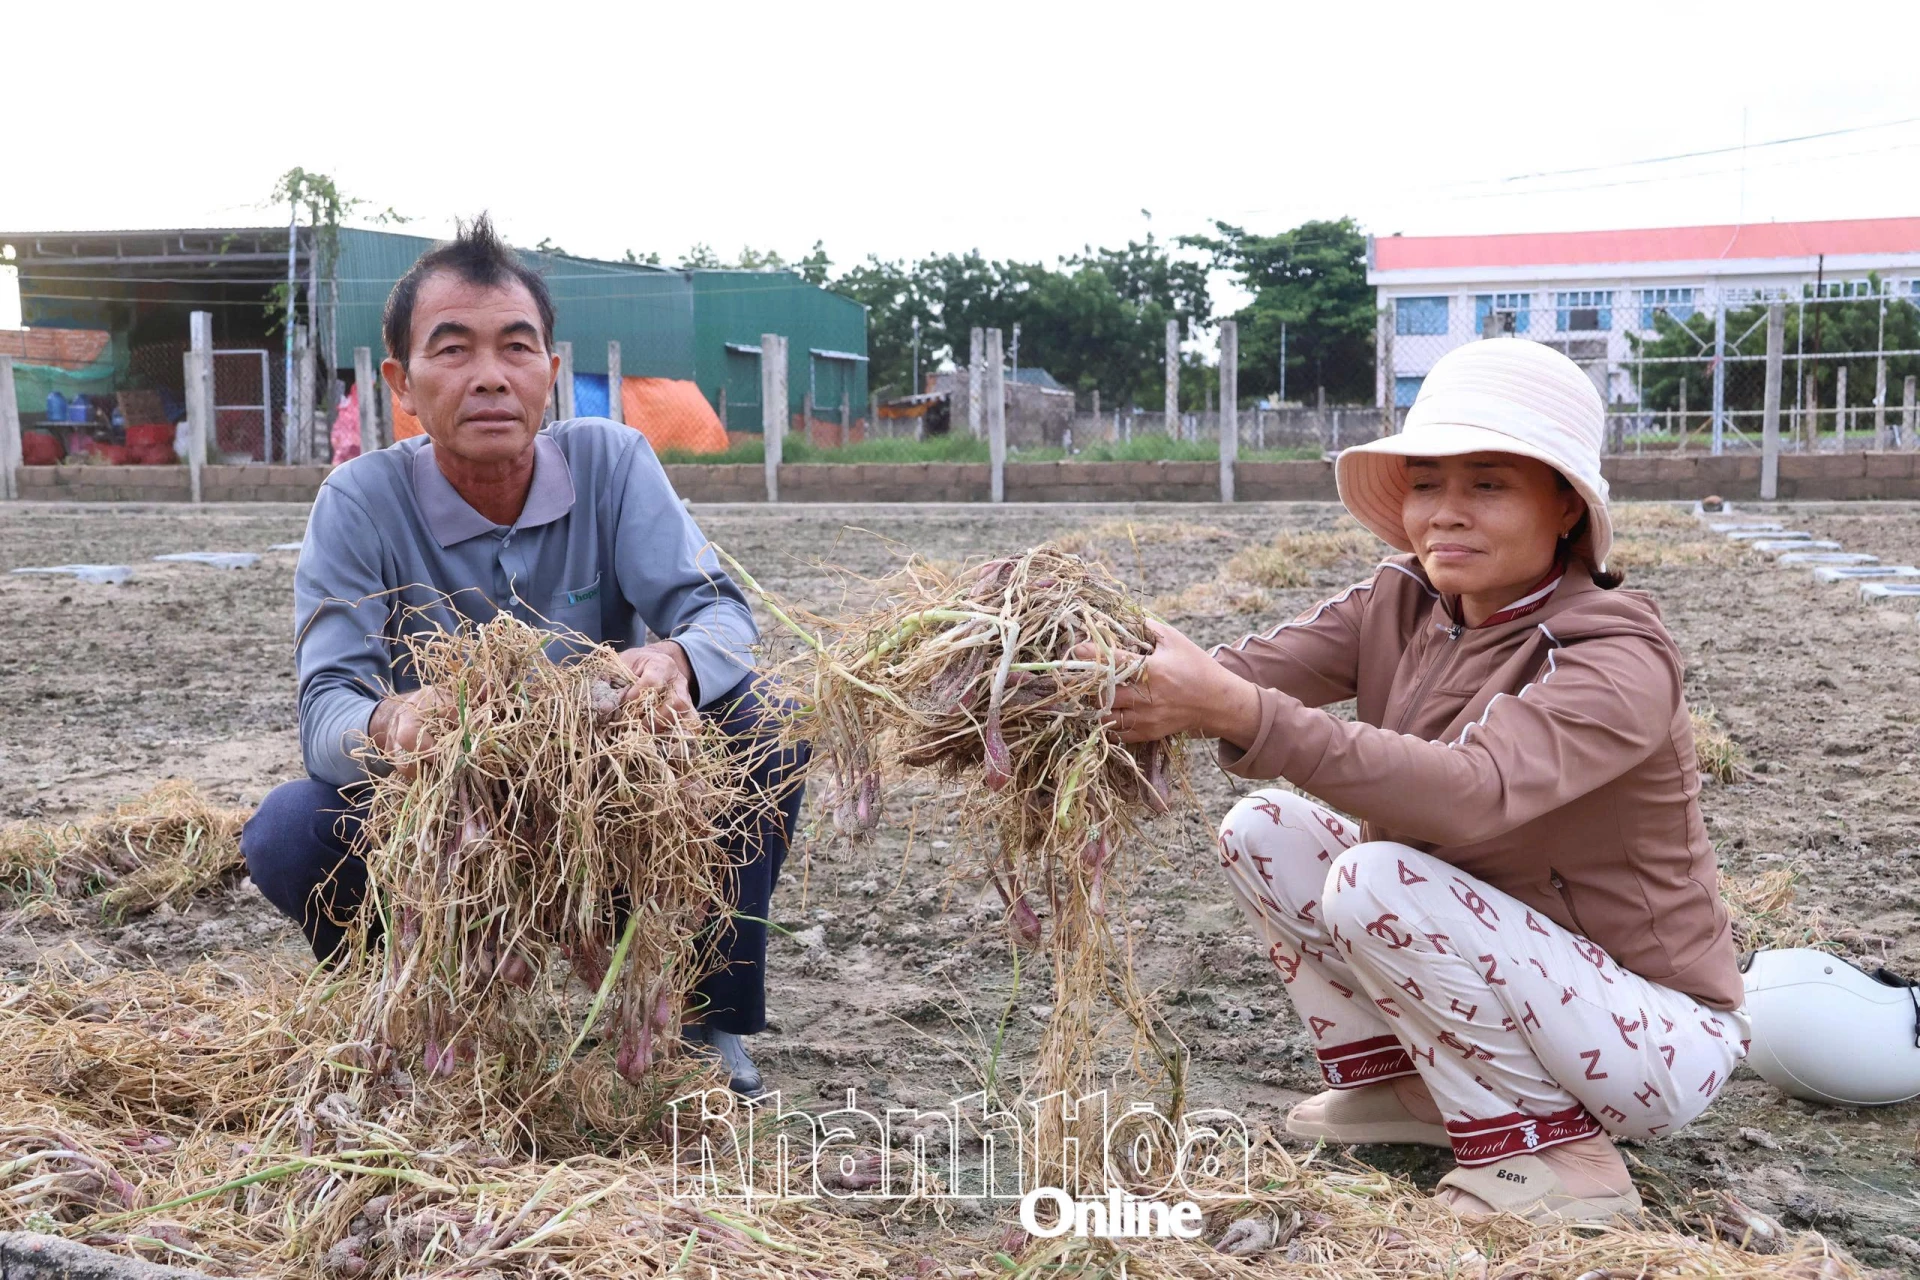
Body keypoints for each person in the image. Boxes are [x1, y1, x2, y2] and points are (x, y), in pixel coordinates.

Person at [1099, 338, 1747, 1222]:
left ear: (1564, 507)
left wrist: (1238, 713)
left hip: (1648, 1035)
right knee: (1264, 828)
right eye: (1427, 483)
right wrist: (1087, 674)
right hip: (1508, 973)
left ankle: (1566, 1160)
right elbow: (1248, 672)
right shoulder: (1401, 600)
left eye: (1487, 484)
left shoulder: (1616, 653)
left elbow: (1470, 791)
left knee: (1377, 877)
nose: (1446, 513)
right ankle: (1415, 1094)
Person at [241, 214, 802, 1097]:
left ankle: (703, 1016)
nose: (491, 377)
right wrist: (394, 721)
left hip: (608, 797)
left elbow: (718, 610)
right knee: (290, 831)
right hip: (451, 815)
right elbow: (327, 712)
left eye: (517, 348)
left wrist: (676, 663)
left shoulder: (613, 462)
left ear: (550, 370)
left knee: (766, 724)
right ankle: (423, 1013)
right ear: (403, 382)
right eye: (453, 350)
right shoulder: (359, 501)